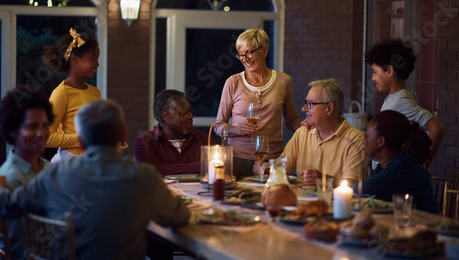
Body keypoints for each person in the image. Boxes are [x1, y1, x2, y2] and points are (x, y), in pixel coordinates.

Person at [0, 99, 190, 260]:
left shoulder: (54, 174)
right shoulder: (145, 178)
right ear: (123, 133)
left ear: (80, 141)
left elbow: (6, 205)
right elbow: (179, 217)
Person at [214, 29, 302, 177]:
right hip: (237, 159)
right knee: (238, 199)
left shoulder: (284, 81)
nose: (245, 59)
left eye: (249, 52)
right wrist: (238, 130)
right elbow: (218, 126)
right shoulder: (232, 82)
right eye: (241, 54)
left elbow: (292, 120)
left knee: (272, 199)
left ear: (264, 51)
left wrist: (304, 126)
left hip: (273, 159)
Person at [364, 39, 446, 168]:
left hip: (391, 175)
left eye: (375, 72)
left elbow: (438, 128)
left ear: (389, 71)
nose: (373, 78)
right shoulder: (396, 96)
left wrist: (424, 164)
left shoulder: (402, 100)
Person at [0, 85, 54, 259]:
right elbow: (18, 249)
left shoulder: (47, 166)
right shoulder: (11, 178)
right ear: (13, 130)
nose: (41, 133)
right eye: (32, 127)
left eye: (44, 125)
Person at [270, 78, 366, 187]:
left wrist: (323, 180)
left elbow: (354, 186)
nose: (303, 109)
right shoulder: (302, 133)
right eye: (305, 103)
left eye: (310, 104)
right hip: (298, 201)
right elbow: (280, 170)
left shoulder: (355, 139)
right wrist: (266, 169)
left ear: (329, 108)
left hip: (334, 203)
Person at [352, 110, 438, 213]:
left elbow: (365, 189)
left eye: (366, 136)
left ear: (381, 141)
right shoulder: (382, 166)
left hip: (422, 226)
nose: (363, 141)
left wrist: (343, 188)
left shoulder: (405, 166)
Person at [43, 28, 101, 162]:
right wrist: (82, 139)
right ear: (74, 59)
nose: (97, 64)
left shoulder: (95, 92)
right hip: (68, 163)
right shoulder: (61, 93)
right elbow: (47, 136)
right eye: (92, 59)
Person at [135, 89, 214, 176]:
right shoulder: (145, 142)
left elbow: (217, 170)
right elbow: (152, 173)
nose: (191, 116)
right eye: (184, 113)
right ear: (166, 116)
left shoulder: (204, 139)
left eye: (190, 111)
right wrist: (197, 167)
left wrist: (170, 170)